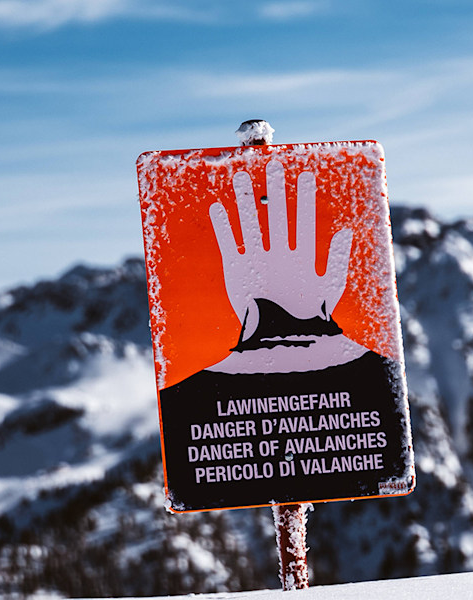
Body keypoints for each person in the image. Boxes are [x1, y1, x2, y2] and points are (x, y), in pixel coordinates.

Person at [159, 160, 411, 512]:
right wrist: (308, 318)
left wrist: (264, 317)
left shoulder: (186, 403)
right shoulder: (377, 387)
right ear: (331, 282)